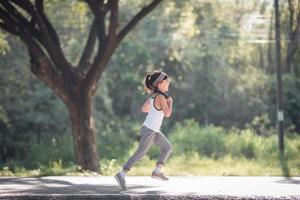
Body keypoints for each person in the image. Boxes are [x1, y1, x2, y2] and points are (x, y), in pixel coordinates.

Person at [114, 71, 173, 191]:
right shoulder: (160, 96)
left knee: (167, 147)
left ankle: (157, 171)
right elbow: (167, 114)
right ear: (160, 83)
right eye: (166, 81)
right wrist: (170, 103)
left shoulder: (154, 95)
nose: (168, 83)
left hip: (153, 129)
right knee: (141, 153)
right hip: (150, 129)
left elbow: (144, 108)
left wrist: (156, 107)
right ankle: (122, 174)